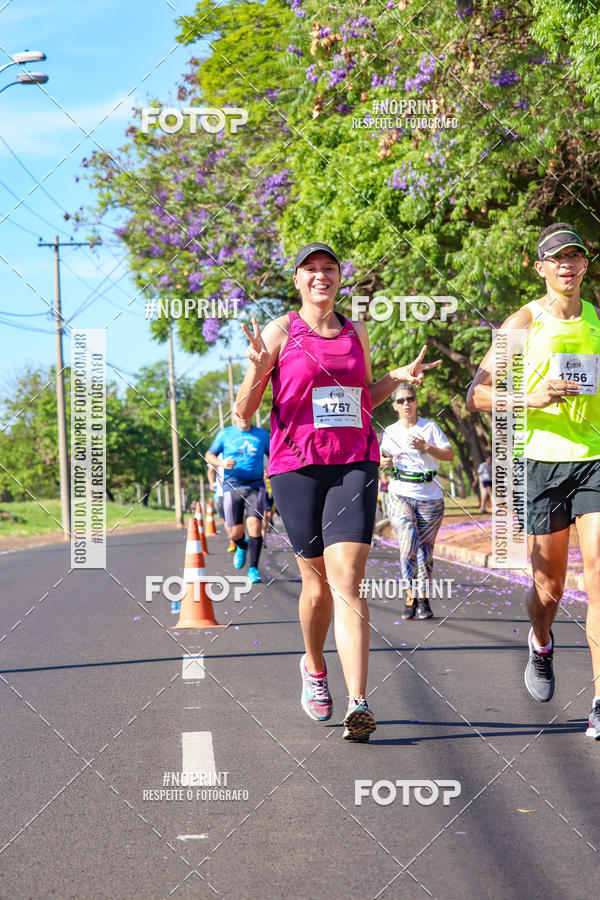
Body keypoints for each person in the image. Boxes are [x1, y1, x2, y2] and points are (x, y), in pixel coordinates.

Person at [235, 241, 440, 741]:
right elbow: (244, 413)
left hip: (355, 462)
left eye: (329, 268)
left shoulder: (356, 331)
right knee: (317, 584)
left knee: (348, 578)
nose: (321, 276)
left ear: (339, 276)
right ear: (298, 280)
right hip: (296, 467)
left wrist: (395, 379)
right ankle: (313, 665)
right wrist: (260, 369)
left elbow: (363, 399)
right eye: (312, 270)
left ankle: (358, 702)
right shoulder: (280, 331)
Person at [467, 222, 600, 739]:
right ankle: (540, 643)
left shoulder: (596, 320)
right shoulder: (521, 323)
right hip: (541, 464)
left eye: (576, 257)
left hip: (594, 459)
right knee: (550, 587)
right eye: (556, 258)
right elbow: (477, 395)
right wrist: (531, 398)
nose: (567, 265)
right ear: (540, 268)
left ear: (585, 265)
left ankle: (598, 699)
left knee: (598, 578)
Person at [380, 384, 454, 620]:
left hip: (430, 496)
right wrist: (386, 462)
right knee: (408, 543)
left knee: (425, 551)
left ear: (416, 401)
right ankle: (410, 594)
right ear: (394, 406)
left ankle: (423, 598)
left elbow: (449, 455)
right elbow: (381, 459)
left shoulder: (430, 427)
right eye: (400, 401)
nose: (406, 404)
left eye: (410, 399)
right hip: (400, 492)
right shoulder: (390, 431)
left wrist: (426, 447)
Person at [205, 408, 270, 584]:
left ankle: (253, 568)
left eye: (247, 413)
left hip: (255, 486)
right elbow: (208, 455)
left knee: (255, 525)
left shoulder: (262, 435)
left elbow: (274, 455)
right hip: (231, 486)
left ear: (252, 415)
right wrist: (221, 462)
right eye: (240, 414)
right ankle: (242, 545)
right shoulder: (225, 434)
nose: (244, 417)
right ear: (234, 415)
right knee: (234, 533)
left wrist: (270, 470)